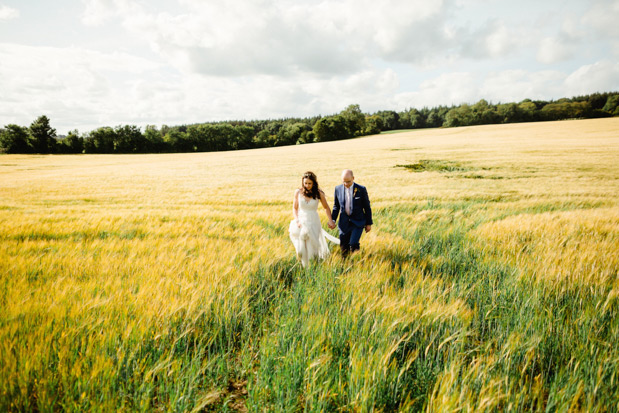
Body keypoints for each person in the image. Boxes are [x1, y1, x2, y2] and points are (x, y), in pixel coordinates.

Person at [289, 171, 340, 267]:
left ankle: (312, 268)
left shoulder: (319, 193)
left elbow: (326, 207)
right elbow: (295, 208)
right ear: (302, 183)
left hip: (313, 222)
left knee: (312, 248)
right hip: (301, 222)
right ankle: (305, 266)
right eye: (305, 183)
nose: (307, 185)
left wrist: (331, 220)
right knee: (301, 250)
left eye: (309, 183)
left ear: (314, 183)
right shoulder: (298, 192)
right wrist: (297, 220)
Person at [331, 169, 372, 257]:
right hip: (344, 223)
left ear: (353, 178)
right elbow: (336, 206)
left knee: (353, 243)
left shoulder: (361, 189)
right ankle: (345, 265)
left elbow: (367, 207)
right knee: (343, 246)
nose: (346, 184)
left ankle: (356, 261)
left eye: (348, 182)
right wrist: (333, 220)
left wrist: (368, 223)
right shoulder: (338, 189)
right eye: (344, 182)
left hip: (358, 222)